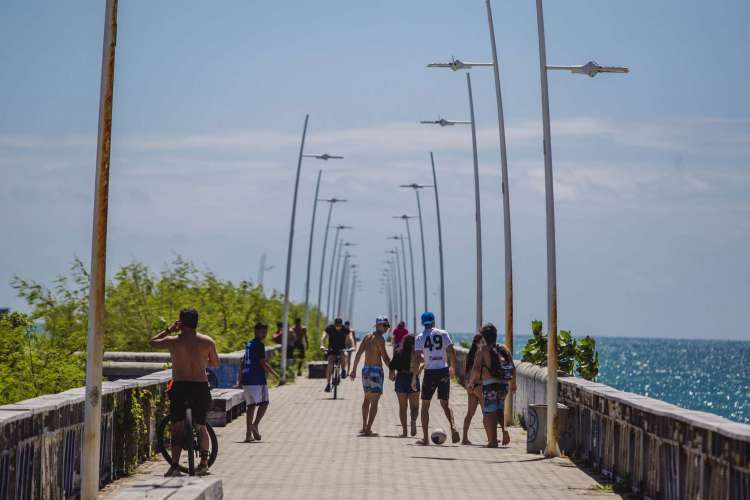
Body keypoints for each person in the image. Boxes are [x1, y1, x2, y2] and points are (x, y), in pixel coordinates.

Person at [149, 308, 220, 476]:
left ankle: (174, 466)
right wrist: (201, 361)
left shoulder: (173, 341)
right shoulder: (207, 341)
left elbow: (152, 342)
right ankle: (203, 463)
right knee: (201, 426)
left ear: (180, 323)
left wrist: (169, 329)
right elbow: (216, 364)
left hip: (180, 386)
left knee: (177, 426)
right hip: (200, 386)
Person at [412, 311, 460, 445]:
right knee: (445, 403)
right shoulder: (443, 333)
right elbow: (451, 351)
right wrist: (453, 368)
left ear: (422, 323)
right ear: (433, 321)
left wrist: (414, 376)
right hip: (443, 370)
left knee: (425, 406)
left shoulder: (420, 337)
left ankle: (426, 439)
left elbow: (416, 359)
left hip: (430, 372)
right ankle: (453, 426)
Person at [468, 323, 517, 447]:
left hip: (490, 384)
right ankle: (504, 430)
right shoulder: (504, 348)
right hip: (504, 384)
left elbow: (476, 368)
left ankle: (493, 441)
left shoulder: (483, 350)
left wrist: (471, 383)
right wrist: (513, 384)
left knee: (490, 413)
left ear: (484, 336)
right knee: (499, 409)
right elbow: (513, 367)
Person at [236, 322, 279, 442]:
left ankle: (250, 432)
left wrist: (239, 378)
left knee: (256, 405)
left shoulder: (249, 344)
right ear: (256, 331)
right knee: (258, 404)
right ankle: (252, 428)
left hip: (249, 378)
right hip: (256, 379)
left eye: (265, 331)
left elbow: (243, 361)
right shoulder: (259, 345)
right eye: (262, 331)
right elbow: (263, 363)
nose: (264, 334)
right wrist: (274, 375)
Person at [350, 316, 392, 436]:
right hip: (375, 371)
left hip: (366, 370)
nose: (386, 328)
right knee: (374, 401)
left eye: (387, 326)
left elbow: (358, 354)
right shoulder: (380, 339)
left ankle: (364, 426)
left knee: (366, 399)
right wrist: (392, 369)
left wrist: (353, 370)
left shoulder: (367, 337)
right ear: (378, 325)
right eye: (384, 325)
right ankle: (368, 428)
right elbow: (384, 357)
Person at [389, 334, 421, 437]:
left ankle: (404, 432)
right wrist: (421, 369)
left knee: (403, 408)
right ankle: (413, 420)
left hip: (401, 378)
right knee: (415, 407)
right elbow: (425, 361)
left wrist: (392, 374)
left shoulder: (398, 352)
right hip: (413, 378)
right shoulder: (416, 353)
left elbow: (392, 365)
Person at [462, 334, 485, 445]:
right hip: (479, 386)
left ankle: (464, 438)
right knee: (487, 413)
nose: (484, 344)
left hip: (471, 387)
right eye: (482, 342)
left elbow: (466, 372)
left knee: (470, 414)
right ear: (477, 343)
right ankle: (491, 437)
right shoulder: (481, 355)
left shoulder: (469, 355)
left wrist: (467, 385)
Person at [320, 318, 350, 392]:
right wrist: (322, 345)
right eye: (337, 325)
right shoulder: (329, 328)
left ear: (341, 325)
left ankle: (343, 370)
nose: (338, 327)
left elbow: (350, 338)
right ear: (334, 324)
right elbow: (323, 337)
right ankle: (328, 384)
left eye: (339, 326)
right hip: (332, 349)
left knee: (345, 354)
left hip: (341, 349)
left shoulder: (345, 329)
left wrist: (352, 346)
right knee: (330, 364)